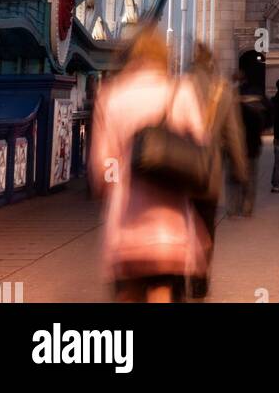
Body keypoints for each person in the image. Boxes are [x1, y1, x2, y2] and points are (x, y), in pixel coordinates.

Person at [89, 26, 209, 303]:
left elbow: (102, 169)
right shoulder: (181, 93)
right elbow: (201, 151)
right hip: (171, 228)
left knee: (128, 295)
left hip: (127, 226)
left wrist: (118, 185)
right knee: (162, 291)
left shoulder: (112, 96)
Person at [188, 43, 248, 295]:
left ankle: (177, 276)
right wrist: (240, 168)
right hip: (207, 171)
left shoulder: (178, 86)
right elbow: (233, 134)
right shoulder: (221, 90)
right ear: (211, 62)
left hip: (175, 169)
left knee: (180, 223)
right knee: (205, 224)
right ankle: (200, 280)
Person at [232, 74, 268, 217]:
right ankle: (247, 206)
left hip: (236, 146)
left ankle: (233, 207)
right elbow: (263, 123)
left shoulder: (234, 108)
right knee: (251, 176)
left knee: (233, 177)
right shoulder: (256, 109)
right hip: (252, 146)